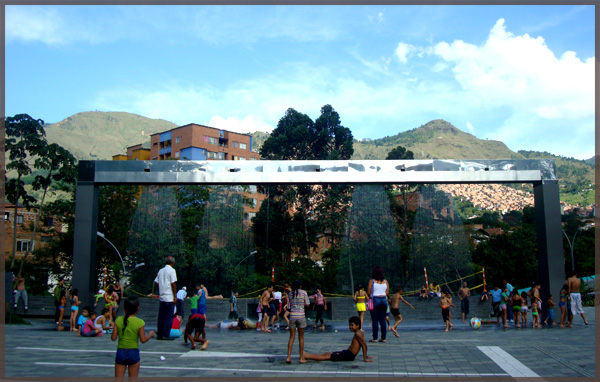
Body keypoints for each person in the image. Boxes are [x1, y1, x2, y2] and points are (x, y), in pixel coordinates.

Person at [111, 297, 155, 381]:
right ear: (138, 308)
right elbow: (143, 340)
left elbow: (113, 338)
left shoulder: (118, 320)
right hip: (133, 352)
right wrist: (149, 335)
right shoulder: (140, 322)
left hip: (121, 351)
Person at [304, 316, 374, 363]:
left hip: (348, 356)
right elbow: (363, 345)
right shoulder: (359, 333)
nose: (350, 327)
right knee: (327, 354)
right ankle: (307, 355)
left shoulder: (358, 334)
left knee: (327, 356)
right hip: (347, 353)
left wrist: (365, 358)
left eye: (352, 325)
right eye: (349, 325)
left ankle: (307, 356)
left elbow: (364, 345)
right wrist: (366, 355)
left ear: (358, 325)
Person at [286, 280, 310, 364]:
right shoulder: (303, 293)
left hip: (292, 316)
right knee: (301, 338)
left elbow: (288, 307)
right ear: (300, 286)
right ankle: (301, 357)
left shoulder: (289, 294)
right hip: (301, 316)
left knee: (291, 337)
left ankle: (288, 357)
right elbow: (307, 303)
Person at [154, 256, 177, 340]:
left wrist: (161, 288)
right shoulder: (172, 270)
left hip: (162, 296)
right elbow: (173, 283)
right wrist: (175, 295)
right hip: (169, 296)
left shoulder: (161, 270)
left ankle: (160, 333)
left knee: (161, 316)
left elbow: (156, 282)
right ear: (173, 263)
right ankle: (165, 334)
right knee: (168, 316)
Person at [367, 265, 389, 343]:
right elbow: (387, 292)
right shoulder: (385, 281)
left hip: (375, 300)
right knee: (382, 320)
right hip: (383, 300)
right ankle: (383, 338)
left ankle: (375, 338)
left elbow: (369, 292)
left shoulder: (372, 281)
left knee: (375, 320)